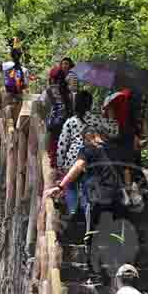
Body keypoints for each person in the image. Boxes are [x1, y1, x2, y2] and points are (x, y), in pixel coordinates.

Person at [56, 89, 94, 221]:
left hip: (72, 160)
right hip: (91, 160)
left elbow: (62, 145)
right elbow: (112, 131)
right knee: (86, 188)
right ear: (90, 105)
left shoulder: (70, 122)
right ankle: (87, 217)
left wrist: (60, 165)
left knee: (70, 186)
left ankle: (73, 213)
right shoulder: (96, 120)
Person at [43, 57, 75, 170]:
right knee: (65, 141)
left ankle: (53, 163)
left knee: (53, 141)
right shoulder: (66, 90)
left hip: (54, 118)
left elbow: (45, 103)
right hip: (65, 118)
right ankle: (63, 165)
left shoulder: (48, 90)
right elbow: (71, 103)